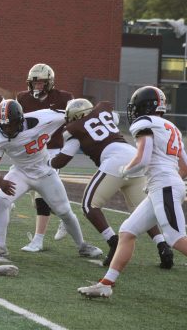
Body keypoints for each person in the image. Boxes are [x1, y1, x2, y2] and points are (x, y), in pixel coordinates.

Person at [78, 87, 187, 299]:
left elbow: (143, 157)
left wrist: (125, 169)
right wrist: (174, 182)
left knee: (175, 239)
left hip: (163, 185)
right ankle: (106, 283)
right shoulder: (170, 126)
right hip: (162, 185)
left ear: (143, 106)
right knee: (127, 231)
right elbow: (185, 166)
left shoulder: (144, 122)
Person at [51, 98, 173, 268]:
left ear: (75, 117)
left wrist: (48, 161)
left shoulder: (76, 133)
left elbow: (60, 161)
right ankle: (163, 246)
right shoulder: (106, 116)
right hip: (134, 158)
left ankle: (113, 241)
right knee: (142, 211)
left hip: (114, 161)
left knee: (89, 205)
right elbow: (112, 117)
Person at [0, 99, 102, 259]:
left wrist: (96, 116)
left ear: (20, 119)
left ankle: (82, 246)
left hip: (45, 171)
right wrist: (0, 181)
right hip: (20, 173)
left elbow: (73, 114)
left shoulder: (45, 118)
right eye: (3, 125)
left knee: (65, 211)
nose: (7, 129)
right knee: (1, 200)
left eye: (10, 124)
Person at [16, 63, 73, 252]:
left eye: (41, 83)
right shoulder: (22, 98)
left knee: (42, 196)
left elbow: (75, 118)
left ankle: (38, 240)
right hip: (32, 153)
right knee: (40, 198)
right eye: (34, 83)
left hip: (53, 151)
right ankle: (65, 216)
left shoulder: (64, 98)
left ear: (49, 83)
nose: (37, 86)